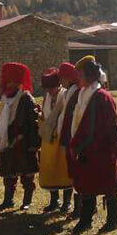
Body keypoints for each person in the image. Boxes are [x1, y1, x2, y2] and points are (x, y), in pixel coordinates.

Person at [69, 60, 117, 235]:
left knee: (108, 185)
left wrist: (116, 146)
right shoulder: (83, 94)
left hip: (101, 149)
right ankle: (86, 220)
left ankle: (112, 220)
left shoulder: (102, 97)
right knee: (87, 185)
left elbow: (112, 124)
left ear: (89, 76)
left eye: (80, 74)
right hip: (86, 150)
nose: (78, 77)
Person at [0, 62, 41, 211]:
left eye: (13, 81)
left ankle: (27, 200)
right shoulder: (4, 99)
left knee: (26, 174)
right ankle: (8, 200)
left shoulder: (26, 98)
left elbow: (33, 123)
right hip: (7, 140)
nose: (10, 84)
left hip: (23, 141)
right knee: (9, 173)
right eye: (8, 81)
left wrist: (33, 143)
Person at [38, 68, 73, 212]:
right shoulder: (46, 97)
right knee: (50, 170)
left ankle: (66, 202)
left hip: (61, 138)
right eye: (47, 88)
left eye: (51, 88)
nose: (50, 91)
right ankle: (54, 200)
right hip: (48, 139)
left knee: (64, 170)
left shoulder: (64, 95)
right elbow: (45, 115)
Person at [58, 60, 88, 218]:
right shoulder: (70, 91)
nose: (61, 81)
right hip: (68, 136)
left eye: (62, 78)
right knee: (73, 173)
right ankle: (79, 208)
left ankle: (81, 208)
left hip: (73, 136)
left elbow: (73, 118)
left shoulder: (76, 92)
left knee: (78, 173)